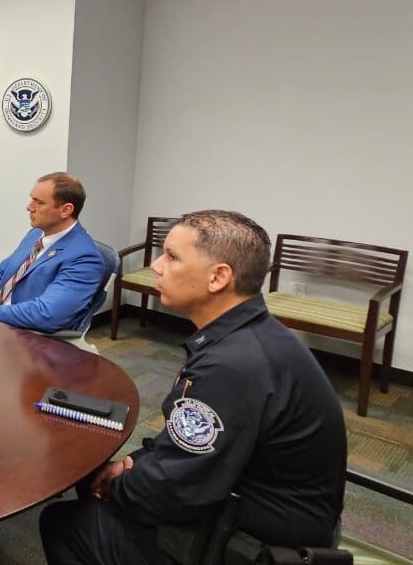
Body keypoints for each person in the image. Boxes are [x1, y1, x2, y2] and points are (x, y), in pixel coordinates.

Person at [40, 210, 347, 565]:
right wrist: (130, 463)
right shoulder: (249, 336)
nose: (156, 265)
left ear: (218, 277)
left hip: (256, 545)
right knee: (97, 484)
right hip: (255, 501)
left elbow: (173, 488)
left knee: (64, 522)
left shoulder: (232, 365)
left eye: (172, 256)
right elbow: (185, 446)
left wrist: (115, 482)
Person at [0, 172, 103, 333]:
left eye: (39, 203)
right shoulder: (36, 234)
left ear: (65, 210)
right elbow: (2, 270)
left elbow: (48, 314)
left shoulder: (85, 258)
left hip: (28, 337)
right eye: (31, 199)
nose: (29, 207)